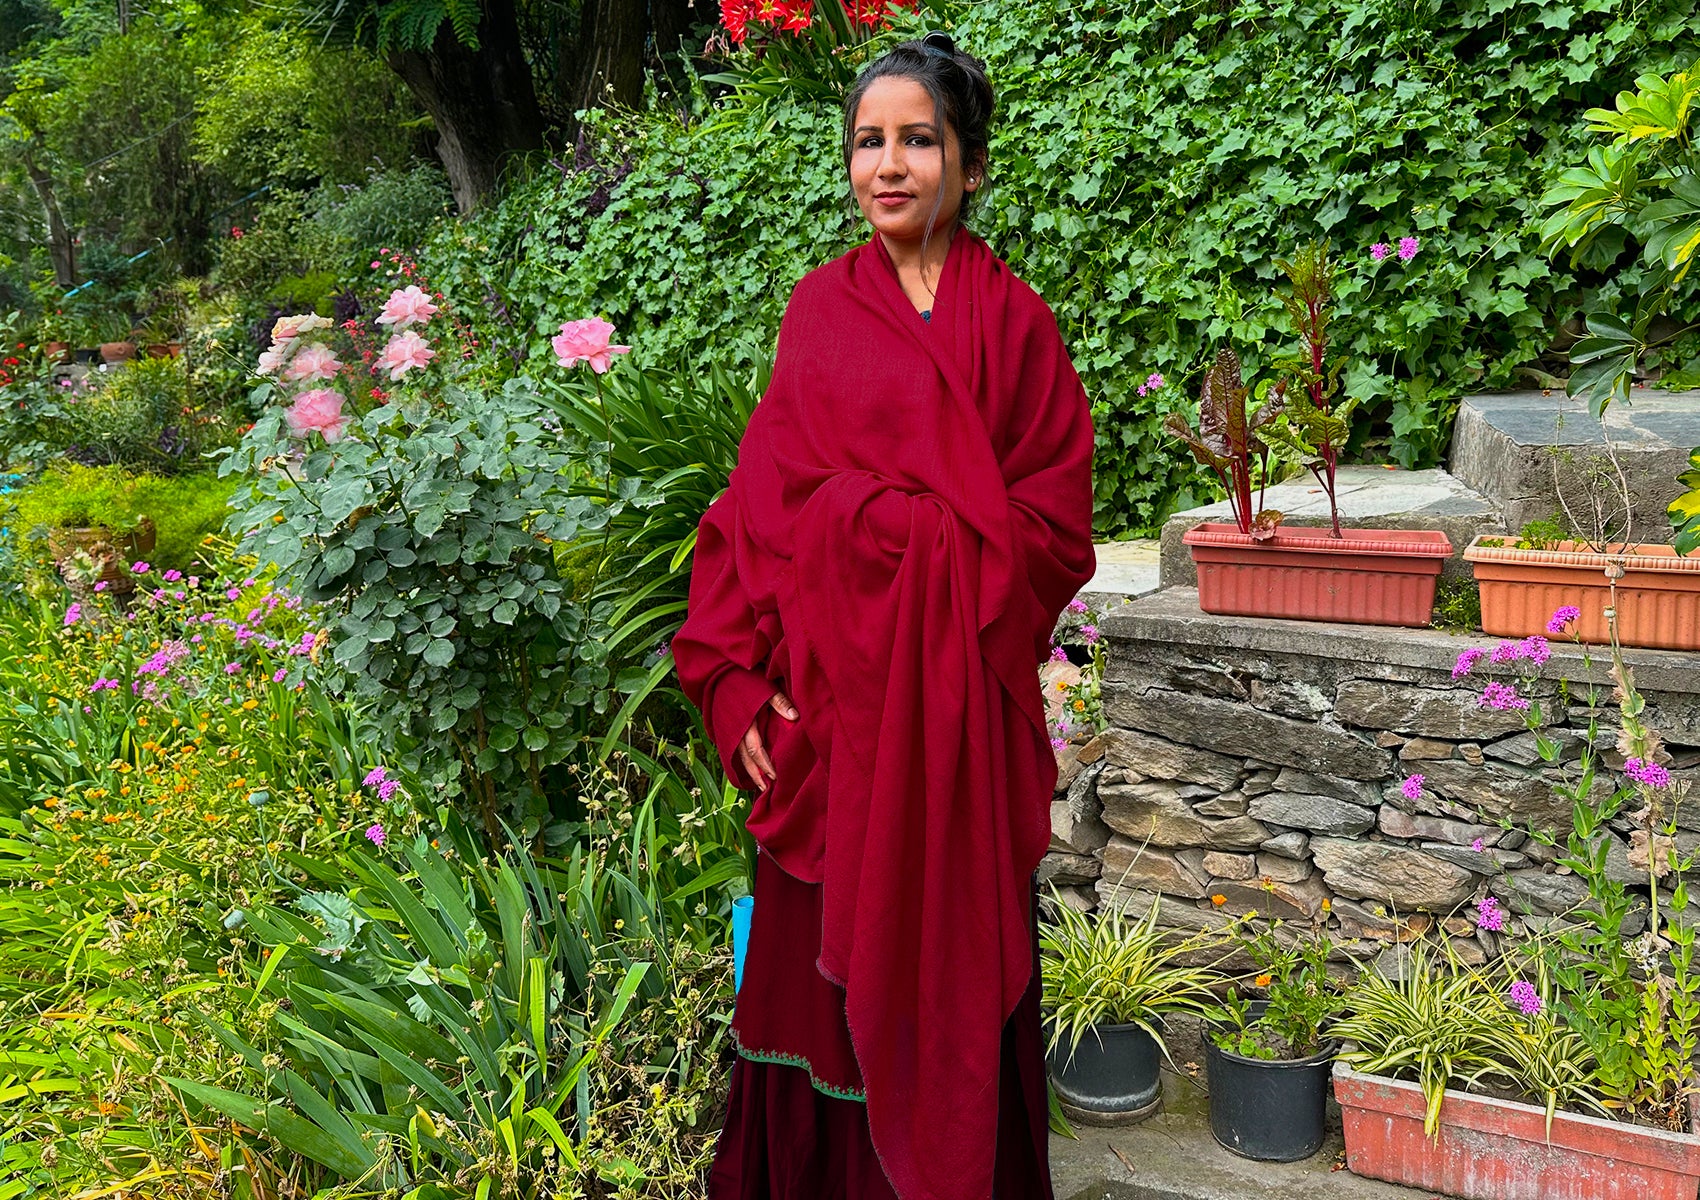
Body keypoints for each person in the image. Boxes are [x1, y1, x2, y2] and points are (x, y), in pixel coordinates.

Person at [672, 29, 1097, 1200]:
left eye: (919, 139)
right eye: (870, 141)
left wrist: (909, 541)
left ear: (967, 164)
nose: (890, 165)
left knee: (952, 974)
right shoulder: (819, 314)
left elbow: (1055, 526)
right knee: (818, 993)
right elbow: (758, 508)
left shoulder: (1015, 325)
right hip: (831, 728)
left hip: (954, 732)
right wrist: (735, 681)